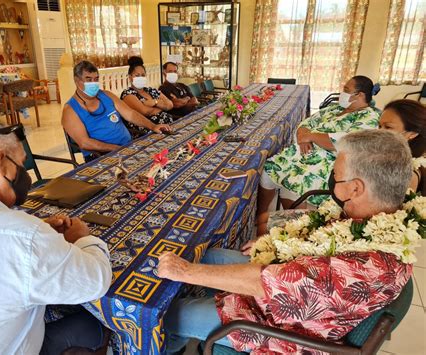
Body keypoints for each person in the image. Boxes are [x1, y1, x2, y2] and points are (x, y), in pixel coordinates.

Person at [158, 130, 417, 354]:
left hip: (285, 329)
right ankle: (184, 334)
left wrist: (185, 271)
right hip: (287, 288)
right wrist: (273, 243)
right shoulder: (378, 213)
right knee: (210, 255)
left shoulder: (365, 268)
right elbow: (310, 239)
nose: (332, 178)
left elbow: (267, 283)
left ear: (356, 188)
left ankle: (168, 342)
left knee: (174, 313)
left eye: (336, 175)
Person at [0, 114, 112, 354]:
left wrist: (33, 232)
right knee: (96, 322)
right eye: (20, 163)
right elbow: (96, 281)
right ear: (0, 163)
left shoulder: (20, 233)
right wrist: (82, 238)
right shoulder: (22, 236)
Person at [256, 75, 381, 235]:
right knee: (268, 170)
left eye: (346, 90)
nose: (342, 93)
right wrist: (303, 137)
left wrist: (312, 136)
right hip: (301, 152)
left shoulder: (369, 117)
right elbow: (306, 123)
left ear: (360, 95)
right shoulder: (335, 109)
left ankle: (292, 231)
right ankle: (261, 214)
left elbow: (344, 142)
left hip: (326, 163)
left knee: (293, 183)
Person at [62, 60, 171, 163]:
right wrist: (117, 149)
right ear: (77, 81)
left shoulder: (106, 95)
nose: (93, 83)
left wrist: (153, 126)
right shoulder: (70, 110)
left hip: (127, 147)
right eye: (88, 79)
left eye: (96, 79)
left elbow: (130, 114)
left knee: (163, 159)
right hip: (100, 156)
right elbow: (85, 143)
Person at [379, 99, 426, 193]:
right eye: (379, 126)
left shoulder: (410, 173)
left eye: (388, 127)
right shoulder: (385, 155)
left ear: (412, 133)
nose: (380, 132)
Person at [120, 56, 174, 137]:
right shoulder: (128, 94)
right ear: (130, 77)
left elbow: (170, 105)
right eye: (137, 75)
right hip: (147, 133)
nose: (140, 78)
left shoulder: (151, 90)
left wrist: (154, 102)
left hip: (167, 127)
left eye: (143, 75)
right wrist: (161, 106)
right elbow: (145, 111)